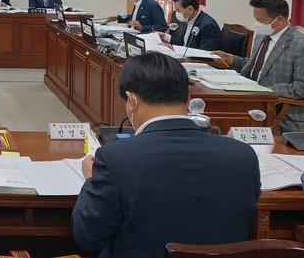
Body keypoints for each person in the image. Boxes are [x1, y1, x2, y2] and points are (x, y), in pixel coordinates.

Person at [71, 51, 260, 258]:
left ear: (132, 101)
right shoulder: (243, 156)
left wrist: (90, 180)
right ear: (189, 100)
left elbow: (87, 236)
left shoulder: (115, 159)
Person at [213, 0, 304, 133]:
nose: (257, 24)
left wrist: (270, 89)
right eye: (256, 19)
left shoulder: (299, 44)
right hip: (250, 98)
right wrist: (230, 59)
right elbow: (257, 66)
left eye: (261, 20)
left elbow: (301, 87)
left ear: (279, 20)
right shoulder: (262, 35)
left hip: (279, 110)